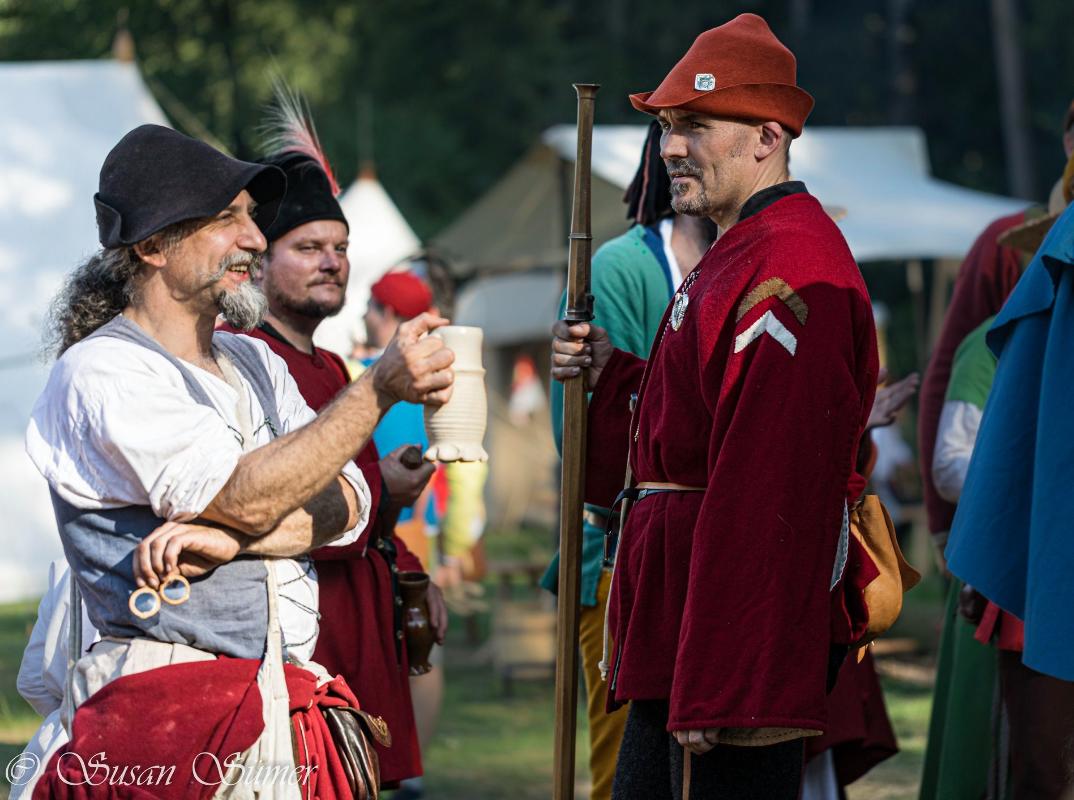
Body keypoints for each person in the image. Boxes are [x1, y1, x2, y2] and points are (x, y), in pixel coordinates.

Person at [21, 124, 454, 797]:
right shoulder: (102, 370)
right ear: (152, 246)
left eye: (251, 217)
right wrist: (375, 390)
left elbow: (351, 503)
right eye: (227, 219)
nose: (254, 238)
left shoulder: (254, 360)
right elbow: (243, 494)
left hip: (279, 702)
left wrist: (229, 538)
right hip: (163, 717)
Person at [552, 15, 878, 798]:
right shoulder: (737, 252)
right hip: (681, 629)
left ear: (767, 137)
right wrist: (612, 374)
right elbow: (693, 431)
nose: (670, 148)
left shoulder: (791, 265)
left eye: (695, 126)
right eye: (667, 127)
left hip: (728, 649)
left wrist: (722, 677)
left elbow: (767, 491)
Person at [218, 105, 446, 788]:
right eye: (309, 247)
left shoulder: (335, 368)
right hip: (305, 631)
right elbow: (275, 502)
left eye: (340, 249)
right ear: (260, 263)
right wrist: (382, 487)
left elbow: (360, 496)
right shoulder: (242, 362)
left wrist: (410, 565)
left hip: (361, 617)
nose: (332, 262)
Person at [542, 119, 717, 800]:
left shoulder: (748, 262)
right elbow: (585, 441)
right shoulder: (623, 268)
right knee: (629, 774)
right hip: (624, 559)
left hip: (716, 560)